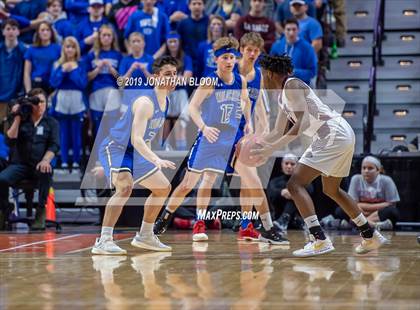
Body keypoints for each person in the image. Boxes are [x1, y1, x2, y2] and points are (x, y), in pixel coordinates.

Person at [154, 37, 287, 244]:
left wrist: (250, 123)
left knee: (252, 181)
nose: (229, 61)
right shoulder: (210, 81)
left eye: (232, 57)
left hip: (234, 139)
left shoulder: (241, 81)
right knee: (188, 184)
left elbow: (246, 102)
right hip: (210, 138)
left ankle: (266, 227)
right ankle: (165, 217)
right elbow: (191, 108)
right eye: (225, 57)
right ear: (216, 60)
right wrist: (204, 128)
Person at [253, 54, 387, 257]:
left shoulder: (292, 85)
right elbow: (278, 131)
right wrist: (258, 144)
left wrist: (270, 150)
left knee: (294, 184)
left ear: (269, 73)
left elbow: (301, 124)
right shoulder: (283, 96)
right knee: (332, 190)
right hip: (339, 134)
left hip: (330, 135)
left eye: (262, 74)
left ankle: (319, 239)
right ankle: (370, 233)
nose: (261, 78)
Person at [92, 55, 178, 255]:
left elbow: (144, 140)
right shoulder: (145, 102)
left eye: (174, 74)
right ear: (156, 77)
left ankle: (146, 235)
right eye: (167, 74)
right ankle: (104, 240)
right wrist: (156, 159)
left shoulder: (166, 100)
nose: (172, 78)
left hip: (135, 151)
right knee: (125, 187)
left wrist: (151, 159)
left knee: (163, 188)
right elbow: (137, 139)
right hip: (117, 147)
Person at [229, 32, 279, 242]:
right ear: (241, 49)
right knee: (195, 182)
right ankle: (268, 227)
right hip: (225, 132)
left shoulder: (259, 75)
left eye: (256, 51)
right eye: (248, 49)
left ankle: (246, 225)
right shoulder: (228, 70)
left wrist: (263, 138)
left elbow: (262, 110)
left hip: (245, 134)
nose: (252, 54)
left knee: (248, 183)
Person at [0, 88, 59, 231]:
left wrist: (45, 160)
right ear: (30, 104)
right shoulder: (22, 119)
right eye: (36, 102)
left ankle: (40, 212)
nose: (39, 105)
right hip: (20, 165)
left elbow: (54, 145)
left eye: (42, 102)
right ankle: (5, 209)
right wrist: (18, 117)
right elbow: (10, 139)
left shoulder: (51, 123)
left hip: (39, 165)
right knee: (1, 179)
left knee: (46, 171)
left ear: (46, 103)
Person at [49, 37, 88, 172]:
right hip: (62, 99)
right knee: (63, 133)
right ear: (63, 49)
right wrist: (63, 71)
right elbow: (53, 82)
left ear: (76, 48)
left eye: (72, 46)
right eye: (67, 46)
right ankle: (64, 161)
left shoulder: (81, 63)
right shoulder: (57, 64)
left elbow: (83, 83)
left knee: (76, 134)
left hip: (77, 99)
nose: (70, 49)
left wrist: (73, 71)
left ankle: (76, 161)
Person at [334, 156, 400, 231]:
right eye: (364, 168)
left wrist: (364, 207)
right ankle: (374, 225)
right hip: (360, 212)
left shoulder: (387, 180)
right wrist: (360, 209)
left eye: (370, 168)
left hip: (377, 213)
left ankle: (357, 225)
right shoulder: (356, 179)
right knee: (340, 210)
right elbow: (352, 203)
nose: (366, 171)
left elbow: (392, 204)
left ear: (378, 170)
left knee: (393, 212)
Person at [86, 24, 122, 140]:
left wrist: (112, 70)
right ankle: (97, 155)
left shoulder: (118, 55)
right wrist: (98, 68)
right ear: (99, 37)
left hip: (113, 92)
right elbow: (87, 77)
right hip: (96, 92)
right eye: (104, 35)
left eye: (109, 35)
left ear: (112, 38)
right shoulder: (92, 55)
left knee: (111, 125)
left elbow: (121, 80)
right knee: (98, 125)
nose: (106, 38)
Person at [162, 31, 193, 151]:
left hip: (181, 93)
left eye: (175, 41)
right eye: (170, 41)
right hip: (166, 92)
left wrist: (171, 78)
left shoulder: (186, 58)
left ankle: (181, 155)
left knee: (181, 122)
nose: (173, 44)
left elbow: (187, 79)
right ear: (167, 43)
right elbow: (160, 79)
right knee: (164, 122)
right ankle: (163, 150)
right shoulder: (163, 59)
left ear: (179, 43)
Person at [268, 153, 313, 232]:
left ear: (297, 166)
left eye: (292, 164)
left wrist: (293, 194)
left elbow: (311, 190)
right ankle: (284, 219)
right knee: (294, 195)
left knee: (296, 196)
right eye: (286, 163)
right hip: (278, 215)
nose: (289, 166)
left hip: (297, 216)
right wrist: (281, 192)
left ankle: (285, 219)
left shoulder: (302, 181)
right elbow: (270, 192)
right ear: (282, 164)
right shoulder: (275, 181)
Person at [270, 17, 317, 85]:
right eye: (288, 29)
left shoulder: (307, 48)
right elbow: (270, 68)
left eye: (294, 29)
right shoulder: (276, 46)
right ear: (284, 31)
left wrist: (294, 72)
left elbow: (312, 72)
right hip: (280, 86)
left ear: (299, 30)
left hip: (301, 87)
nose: (291, 33)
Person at [23, 22, 61, 94]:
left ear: (51, 32)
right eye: (42, 30)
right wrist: (28, 92)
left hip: (52, 85)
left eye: (47, 30)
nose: (45, 32)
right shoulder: (31, 49)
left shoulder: (58, 49)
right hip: (36, 84)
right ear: (38, 33)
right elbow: (26, 73)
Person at [0, 19, 26, 122]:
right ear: (3, 32)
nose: (11, 31)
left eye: (14, 29)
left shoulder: (25, 51)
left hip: (16, 98)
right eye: (8, 29)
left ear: (18, 32)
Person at [177, 0, 209, 74]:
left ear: (204, 6)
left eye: (199, 4)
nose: (196, 6)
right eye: (194, 4)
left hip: (205, 61)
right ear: (189, 6)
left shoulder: (209, 22)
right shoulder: (183, 23)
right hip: (188, 62)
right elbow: (179, 44)